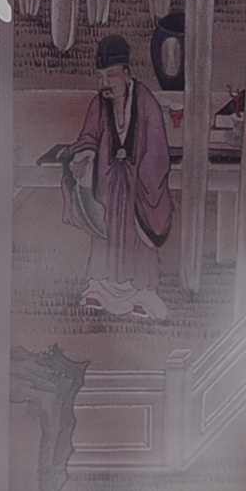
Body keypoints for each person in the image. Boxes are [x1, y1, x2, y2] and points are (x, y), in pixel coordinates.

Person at [69, 34, 176, 319]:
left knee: (138, 238)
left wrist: (139, 178)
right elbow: (88, 136)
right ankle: (99, 289)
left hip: (138, 187)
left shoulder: (146, 103)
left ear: (127, 74)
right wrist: (86, 154)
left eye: (112, 75)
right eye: (100, 77)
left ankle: (141, 294)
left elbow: (157, 149)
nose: (105, 83)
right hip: (107, 185)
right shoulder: (98, 104)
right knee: (103, 232)